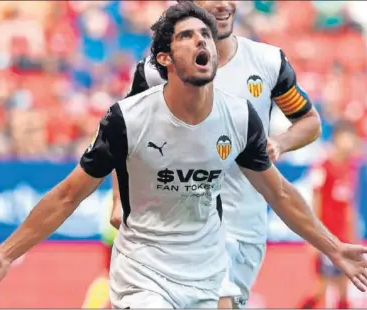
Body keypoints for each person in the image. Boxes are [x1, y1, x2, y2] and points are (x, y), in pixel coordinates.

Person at [0, 3, 367, 308]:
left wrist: (332, 248)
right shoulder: (130, 114)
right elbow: (68, 194)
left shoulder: (246, 105)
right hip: (146, 257)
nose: (203, 38)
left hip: (221, 241)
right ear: (164, 58)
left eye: (204, 36)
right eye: (188, 35)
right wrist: (8, 253)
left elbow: (283, 193)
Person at [109, 0, 323, 308]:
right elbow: (125, 136)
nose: (223, 5)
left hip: (243, 225)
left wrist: (281, 142)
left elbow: (309, 121)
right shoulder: (159, 69)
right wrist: (119, 200)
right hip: (179, 224)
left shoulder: (267, 62)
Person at [300, 121, 361, 309]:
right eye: (346, 138)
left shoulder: (350, 168)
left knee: (343, 289)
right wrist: (314, 238)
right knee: (321, 290)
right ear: (336, 139)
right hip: (326, 238)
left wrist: (354, 237)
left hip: (343, 240)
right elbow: (314, 203)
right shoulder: (323, 167)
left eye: (352, 138)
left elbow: (350, 206)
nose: (350, 143)